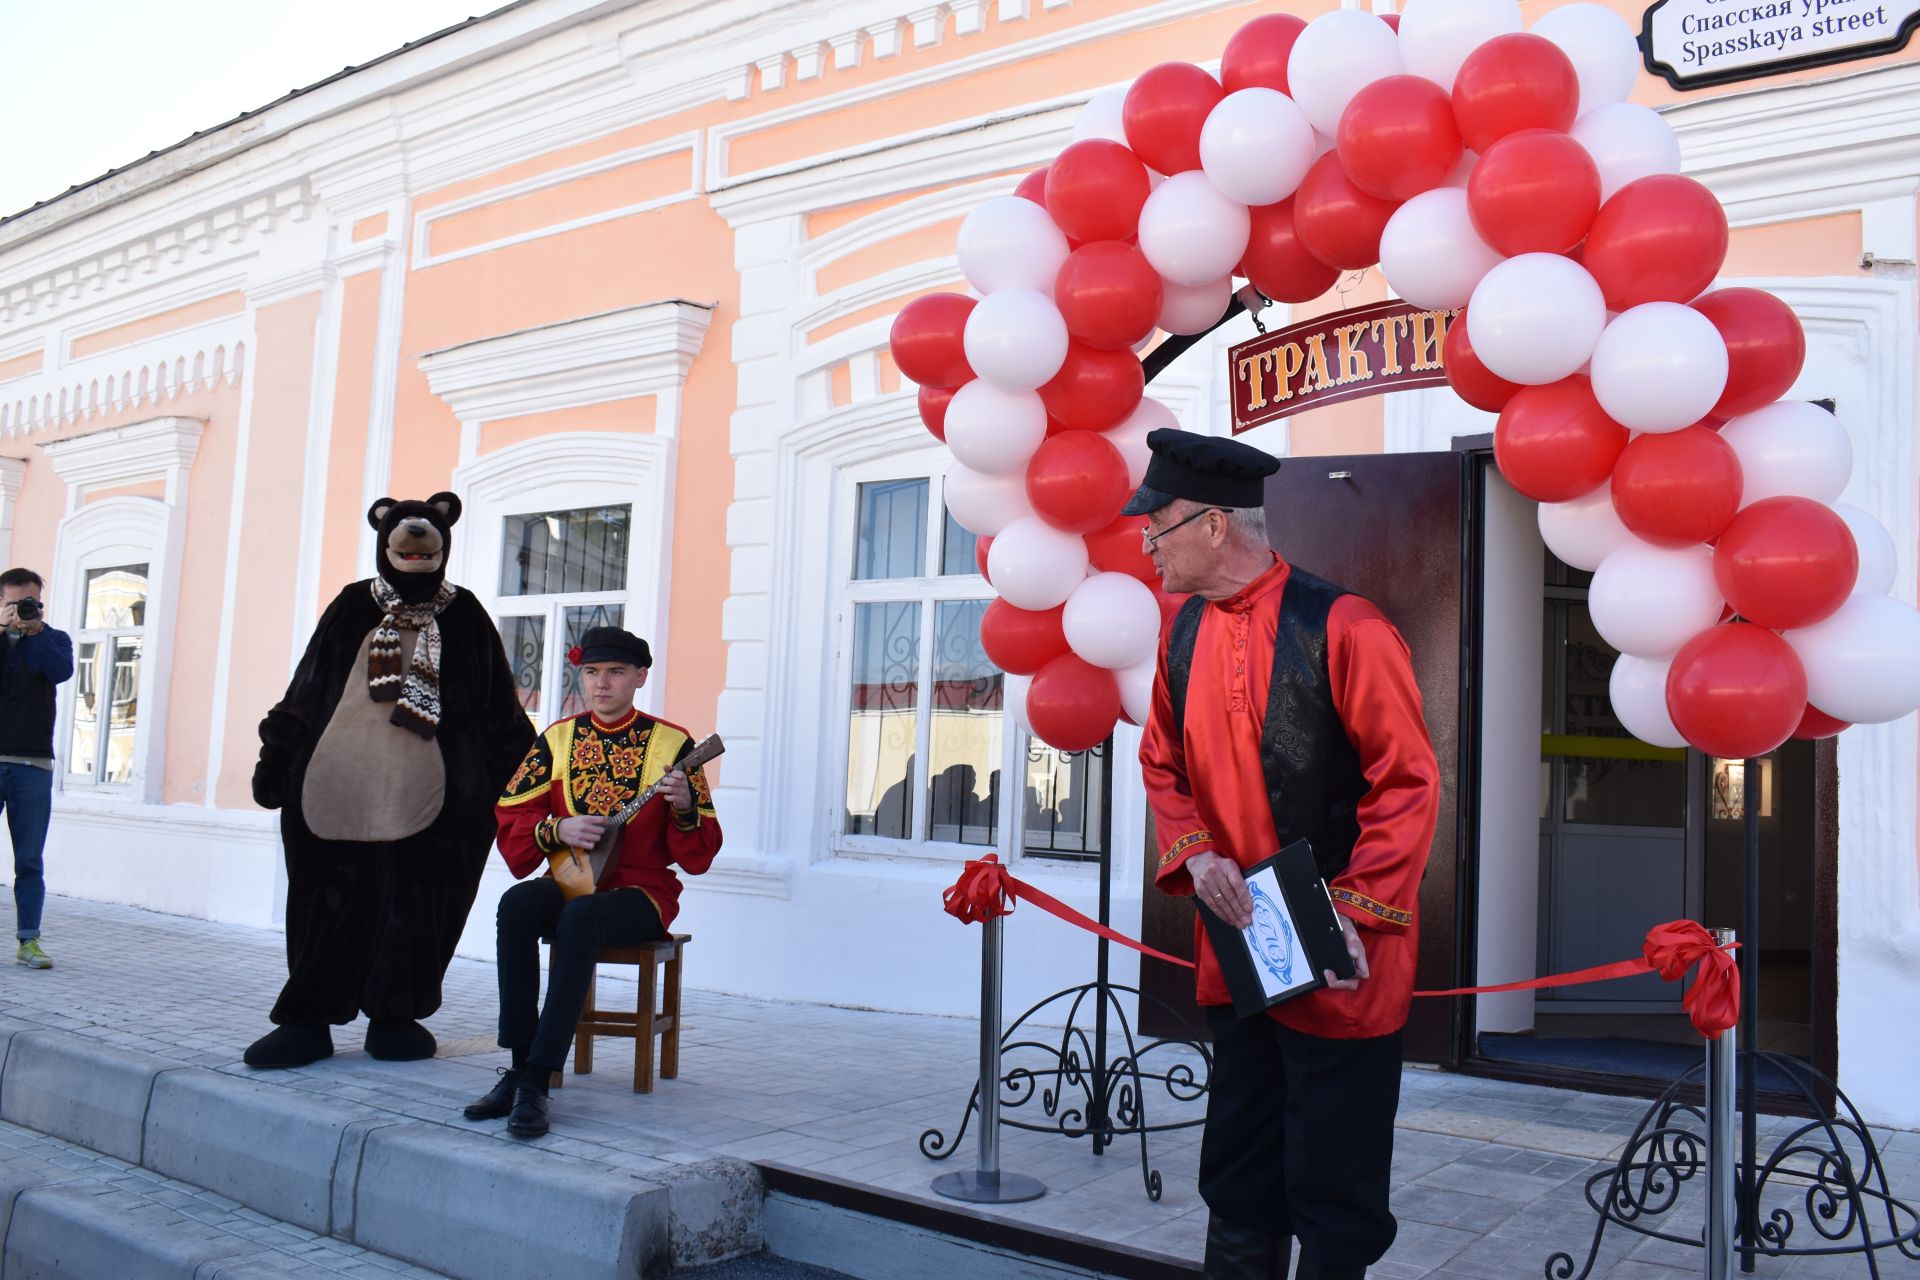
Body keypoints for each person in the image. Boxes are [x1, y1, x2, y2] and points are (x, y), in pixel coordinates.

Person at [1130, 430, 1440, 1280]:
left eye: (1155, 530)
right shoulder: (1180, 633)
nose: (1145, 549)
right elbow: (1160, 761)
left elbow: (1407, 782)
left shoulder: (1347, 626)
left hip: (1341, 946)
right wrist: (1195, 856)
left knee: (1334, 1183)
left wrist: (1354, 906)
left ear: (1213, 525)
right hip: (1239, 944)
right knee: (1238, 1164)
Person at [467, 626, 721, 1137]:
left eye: (615, 673)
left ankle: (538, 1081)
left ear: (639, 677)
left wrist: (686, 807)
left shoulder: (673, 744)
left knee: (582, 917)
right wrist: (556, 828)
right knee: (517, 903)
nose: (600, 684)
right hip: (571, 877)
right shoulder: (558, 738)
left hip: (643, 891)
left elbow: (698, 852)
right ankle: (518, 1067)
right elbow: (510, 813)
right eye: (591, 672)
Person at [0, 568, 74, 971]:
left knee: (29, 859)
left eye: (31, 603)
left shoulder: (54, 640)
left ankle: (29, 941)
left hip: (33, 765)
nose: (24, 610)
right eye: (14, 603)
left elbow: (60, 672)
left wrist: (35, 632)